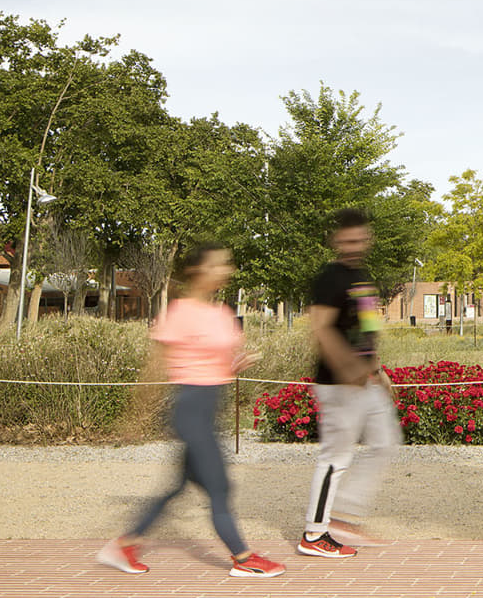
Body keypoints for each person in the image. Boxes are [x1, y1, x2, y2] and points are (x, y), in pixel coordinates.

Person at [97, 243, 285, 578]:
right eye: (218, 264)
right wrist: (133, 417)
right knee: (219, 487)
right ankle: (243, 558)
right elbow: (155, 368)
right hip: (190, 410)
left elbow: (217, 365)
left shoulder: (222, 313)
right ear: (198, 271)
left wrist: (236, 364)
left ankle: (124, 545)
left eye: (226, 265)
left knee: (177, 488)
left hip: (212, 410)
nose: (226, 270)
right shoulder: (180, 312)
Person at [298, 208, 400, 558]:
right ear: (336, 240)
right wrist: (348, 370)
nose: (355, 245)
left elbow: (366, 329)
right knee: (335, 457)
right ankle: (314, 533)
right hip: (338, 383)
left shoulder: (362, 276)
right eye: (348, 240)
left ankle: (342, 516)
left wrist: (376, 369)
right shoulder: (330, 277)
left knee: (386, 442)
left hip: (364, 379)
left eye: (361, 239)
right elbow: (321, 328)